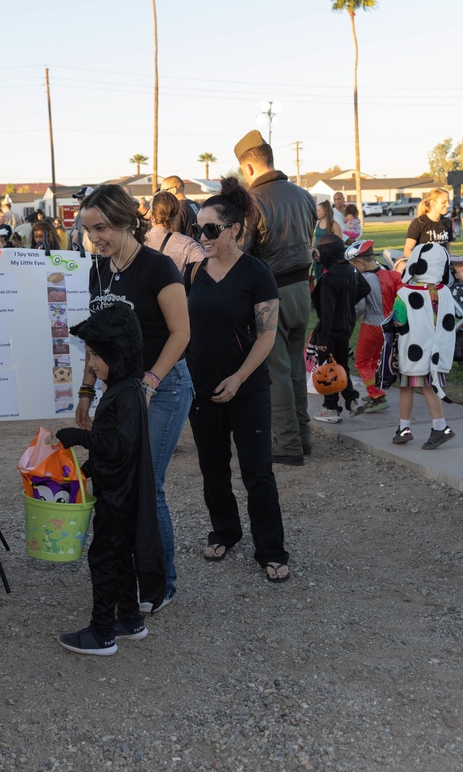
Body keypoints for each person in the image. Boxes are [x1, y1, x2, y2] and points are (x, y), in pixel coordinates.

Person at [76, 184, 191, 613]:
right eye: (89, 231)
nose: (95, 239)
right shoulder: (98, 271)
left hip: (162, 388)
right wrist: (87, 391)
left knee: (148, 486)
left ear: (126, 220)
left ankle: (162, 584)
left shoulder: (158, 268)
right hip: (120, 393)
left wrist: (149, 383)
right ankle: (137, 574)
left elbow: (182, 333)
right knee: (119, 486)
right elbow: (97, 340)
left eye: (101, 228)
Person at [184, 177, 290, 583]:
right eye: (197, 228)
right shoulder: (191, 273)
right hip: (201, 388)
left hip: (247, 388)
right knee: (213, 467)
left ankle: (271, 548)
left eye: (210, 229)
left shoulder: (256, 273)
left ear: (234, 229)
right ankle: (225, 531)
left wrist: (239, 377)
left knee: (257, 471)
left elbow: (267, 334)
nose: (202, 236)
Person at [53, 304, 165, 655]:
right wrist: (85, 470)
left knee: (103, 558)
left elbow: (118, 445)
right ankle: (130, 620)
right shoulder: (121, 388)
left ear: (118, 352)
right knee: (118, 558)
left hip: (120, 498)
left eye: (97, 355)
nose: (91, 364)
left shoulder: (129, 393)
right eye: (89, 355)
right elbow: (118, 449)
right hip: (118, 490)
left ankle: (102, 633)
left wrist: (78, 436)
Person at [236, 129, 317, 466]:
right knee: (296, 367)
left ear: (249, 168)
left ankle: (287, 444)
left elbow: (244, 253)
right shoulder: (304, 195)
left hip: (273, 293)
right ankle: (303, 436)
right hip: (303, 289)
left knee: (277, 370)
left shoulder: (252, 202)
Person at [391, 242, 458, 450]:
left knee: (407, 388)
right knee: (430, 387)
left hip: (413, 351)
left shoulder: (405, 293)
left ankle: (409, 428)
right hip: (436, 352)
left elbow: (399, 321)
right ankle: (437, 426)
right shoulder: (445, 291)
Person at [310, 235, 370, 423]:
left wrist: (323, 340)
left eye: (318, 252)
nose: (317, 256)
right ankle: (352, 400)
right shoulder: (351, 270)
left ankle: (331, 409)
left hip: (330, 332)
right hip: (346, 329)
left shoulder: (329, 279)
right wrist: (348, 303)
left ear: (326, 253)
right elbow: (365, 288)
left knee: (328, 370)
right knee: (341, 366)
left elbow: (327, 313)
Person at [346, 239, 402, 412]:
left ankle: (376, 396)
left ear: (360, 262)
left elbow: (361, 306)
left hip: (371, 324)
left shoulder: (362, 279)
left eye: (353, 265)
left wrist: (350, 320)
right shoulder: (388, 272)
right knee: (376, 360)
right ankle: (375, 392)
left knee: (362, 362)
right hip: (389, 324)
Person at [147, 191, 206, 271]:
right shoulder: (189, 245)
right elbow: (207, 271)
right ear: (176, 214)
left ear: (152, 216)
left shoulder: (137, 242)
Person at [403, 188, 453, 258]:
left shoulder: (447, 222)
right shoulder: (419, 223)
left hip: (442, 265)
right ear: (433, 203)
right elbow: (407, 251)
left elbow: (448, 250)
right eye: (443, 202)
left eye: (448, 202)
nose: (448, 205)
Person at [311, 200, 342, 282]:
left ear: (325, 212)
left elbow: (339, 243)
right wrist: (313, 247)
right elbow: (315, 236)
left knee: (327, 280)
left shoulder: (334, 225)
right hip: (317, 258)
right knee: (318, 279)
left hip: (328, 259)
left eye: (318, 210)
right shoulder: (318, 222)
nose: (316, 212)